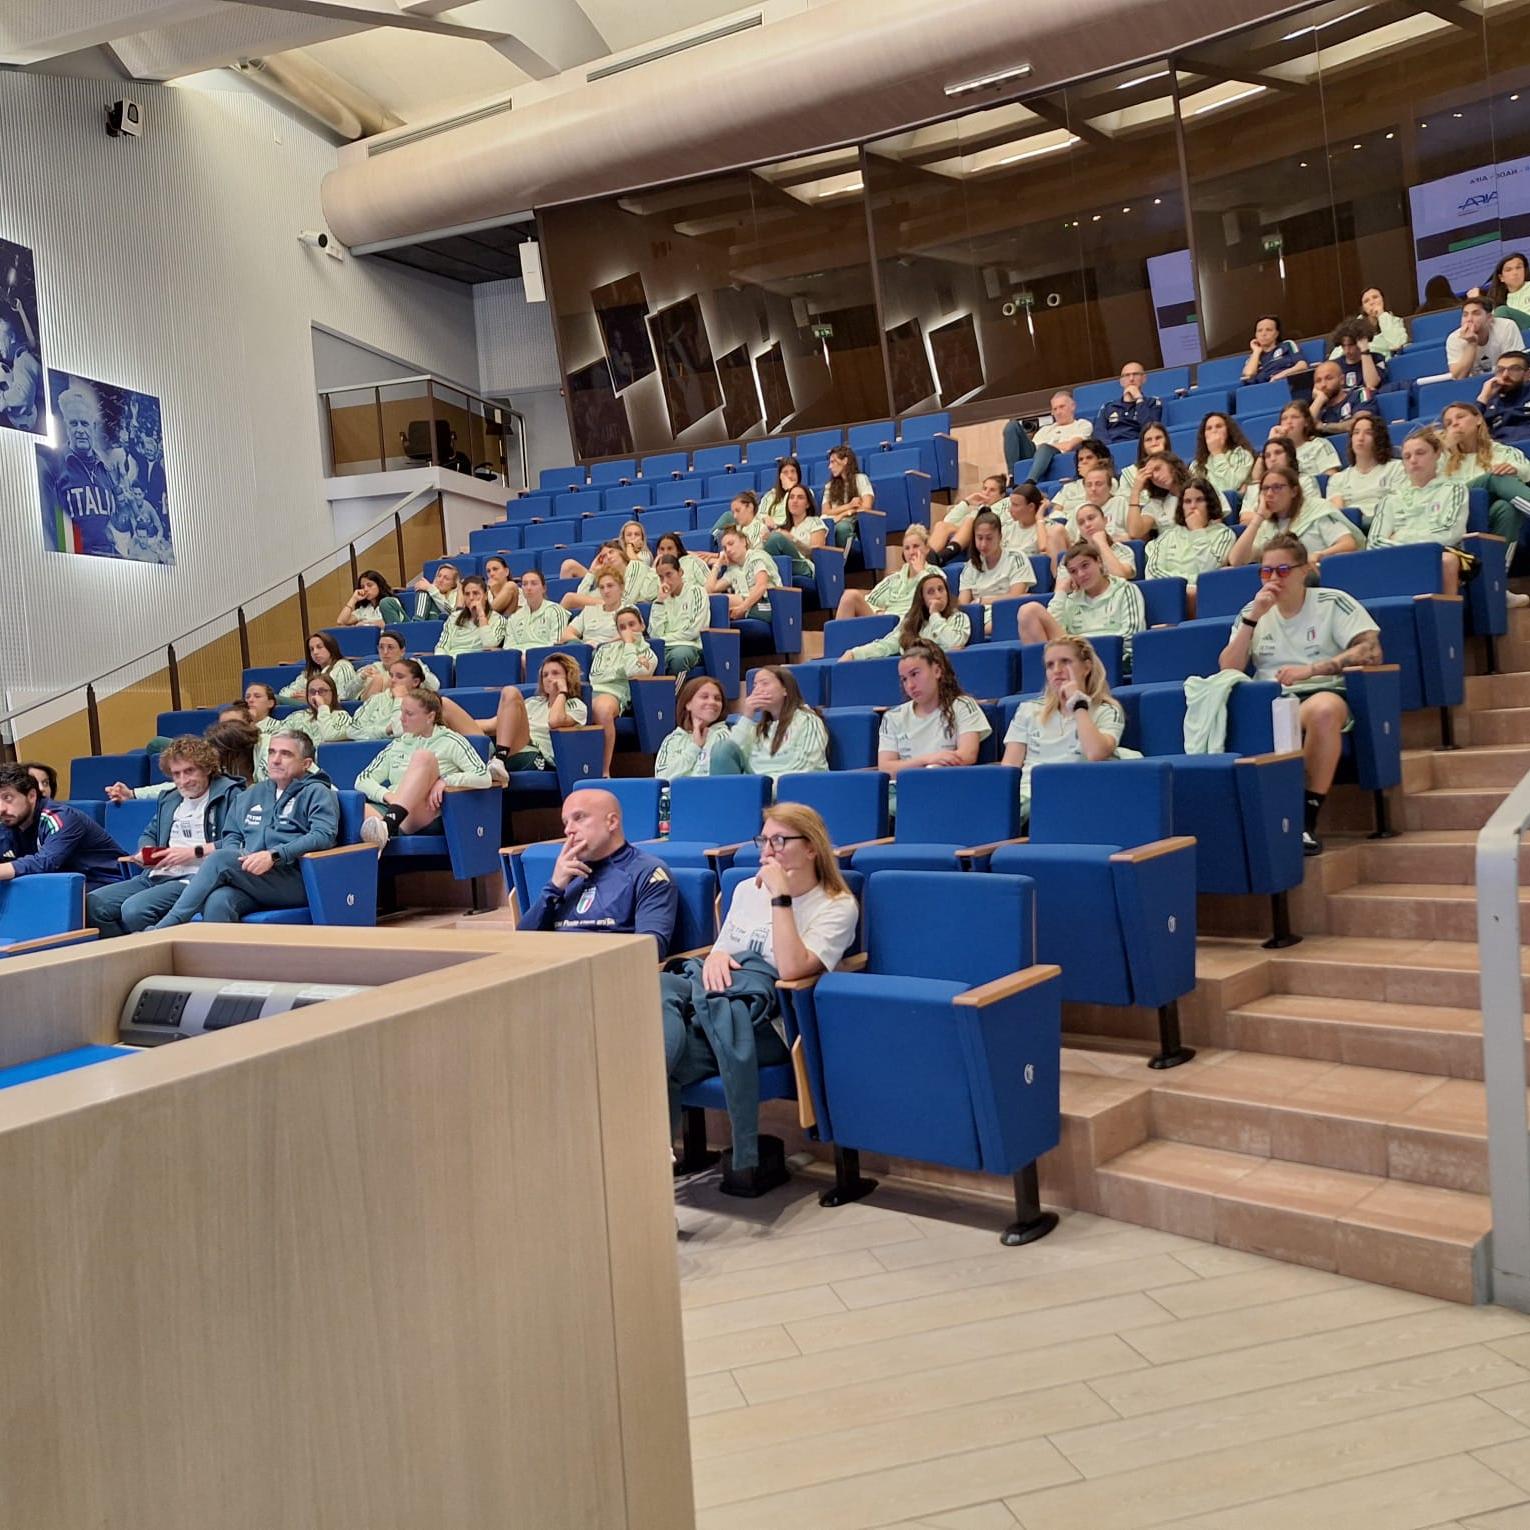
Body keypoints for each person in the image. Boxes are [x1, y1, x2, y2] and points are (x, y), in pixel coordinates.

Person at [664, 801, 858, 1192]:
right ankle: (654, 1145)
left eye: (778, 841)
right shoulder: (743, 890)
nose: (766, 852)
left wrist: (781, 898)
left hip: (772, 1022)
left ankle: (648, 1145)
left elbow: (790, 969)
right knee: (660, 991)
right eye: (763, 840)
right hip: (718, 1005)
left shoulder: (837, 906)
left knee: (653, 1052)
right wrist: (716, 956)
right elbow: (723, 949)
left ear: (811, 848)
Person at [1220, 533, 1383, 855]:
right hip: (1269, 698)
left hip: (1321, 691)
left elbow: (1372, 650)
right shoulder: (1252, 612)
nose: (1273, 579)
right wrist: (1253, 618)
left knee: (1323, 710)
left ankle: (1303, 818)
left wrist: (1313, 670)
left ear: (1304, 569)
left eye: (1282, 570)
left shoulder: (1332, 602)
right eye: (1266, 572)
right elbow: (1229, 667)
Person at [147, 731, 339, 926]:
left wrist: (274, 855)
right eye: (272, 752)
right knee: (219, 901)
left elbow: (324, 835)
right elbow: (232, 833)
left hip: (295, 879)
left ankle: (166, 926)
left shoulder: (317, 791)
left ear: (306, 763)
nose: (276, 760)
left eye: (286, 754)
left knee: (219, 859)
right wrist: (239, 856)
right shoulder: (254, 792)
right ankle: (219, 957)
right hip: (253, 875)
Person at [87, 737, 244, 938]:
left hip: (197, 876)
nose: (182, 781)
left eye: (189, 771)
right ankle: (131, 952)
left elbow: (239, 840)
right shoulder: (170, 798)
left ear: (207, 768)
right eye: (176, 774)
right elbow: (150, 833)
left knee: (135, 909)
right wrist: (147, 852)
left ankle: (159, 952)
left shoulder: (231, 794)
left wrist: (191, 852)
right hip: (157, 874)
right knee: (93, 905)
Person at [519, 788, 679, 955]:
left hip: (606, 974)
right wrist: (553, 888)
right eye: (566, 823)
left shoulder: (647, 872)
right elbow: (520, 944)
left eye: (579, 818)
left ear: (612, 822)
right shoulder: (567, 875)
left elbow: (650, 950)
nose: (568, 830)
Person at [1002, 637, 1125, 820]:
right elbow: (1009, 768)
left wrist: (1078, 704)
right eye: (1050, 665)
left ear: (1086, 667)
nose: (1057, 671)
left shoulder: (1107, 710)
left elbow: (1096, 753)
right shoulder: (1028, 709)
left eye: (1065, 662)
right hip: (1024, 795)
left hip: (1068, 793)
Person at [356, 689, 492, 847]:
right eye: (401, 712)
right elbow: (362, 779)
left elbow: (484, 777)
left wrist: (446, 781)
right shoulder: (398, 743)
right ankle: (384, 833)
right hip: (392, 809)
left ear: (430, 716)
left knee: (423, 757)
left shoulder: (452, 740)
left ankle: (387, 825)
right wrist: (388, 796)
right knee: (354, 811)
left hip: (425, 812)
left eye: (409, 714)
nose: (402, 719)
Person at [876, 643, 991, 797]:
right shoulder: (892, 717)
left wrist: (916, 768)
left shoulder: (962, 705)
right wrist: (929, 759)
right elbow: (885, 767)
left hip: (948, 788)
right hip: (904, 792)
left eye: (915, 674)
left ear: (937, 671)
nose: (910, 685)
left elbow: (967, 755)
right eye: (904, 679)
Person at [1367, 428, 1472, 596]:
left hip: (1438, 556)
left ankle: (1447, 619)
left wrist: (1400, 536)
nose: (1413, 460)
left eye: (1420, 453)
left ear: (1437, 454)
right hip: (1398, 559)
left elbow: (1451, 534)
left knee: (1447, 561)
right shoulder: (1390, 499)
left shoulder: (1454, 489)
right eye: (1407, 457)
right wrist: (1413, 545)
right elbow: (1374, 543)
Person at [1438, 401, 1530, 580]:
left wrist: (1515, 469)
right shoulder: (1442, 457)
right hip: (1452, 512)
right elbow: (1427, 482)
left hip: (1486, 512)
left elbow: (1527, 470)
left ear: (1478, 419)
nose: (1455, 424)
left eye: (1460, 417)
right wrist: (1445, 446)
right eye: (1448, 423)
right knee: (1494, 477)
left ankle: (1496, 585)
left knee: (1507, 509)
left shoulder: (1502, 450)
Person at [1018, 536, 1147, 661]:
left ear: (1099, 562)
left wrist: (1083, 647)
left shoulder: (1125, 590)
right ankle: (1043, 678)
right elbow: (1053, 634)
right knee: (1028, 611)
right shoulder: (1072, 600)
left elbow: (1130, 638)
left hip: (1113, 659)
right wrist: (1061, 592)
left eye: (1085, 565)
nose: (1081, 574)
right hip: (1075, 661)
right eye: (1073, 571)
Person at [0, 765, 122, 890]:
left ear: (32, 796)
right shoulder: (10, 823)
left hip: (105, 882)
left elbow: (45, 863)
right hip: (63, 885)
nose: (1, 809)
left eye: (8, 798)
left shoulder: (60, 817)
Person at [40, 381, 121, 557]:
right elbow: (49, 527)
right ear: (66, 427)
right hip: (77, 561)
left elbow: (115, 521)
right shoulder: (53, 465)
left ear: (93, 427)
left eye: (84, 423)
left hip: (110, 558)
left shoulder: (106, 468)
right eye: (73, 424)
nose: (79, 430)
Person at [1230, 464, 1361, 569]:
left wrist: (1319, 555)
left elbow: (1348, 544)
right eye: (1265, 488)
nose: (1269, 494)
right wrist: (1258, 517)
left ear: (1294, 491)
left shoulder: (1315, 511)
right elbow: (1236, 560)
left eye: (1277, 487)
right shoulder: (1265, 526)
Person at [487, 653, 588, 775]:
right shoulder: (532, 702)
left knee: (510, 692)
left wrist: (562, 692)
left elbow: (554, 721)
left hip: (536, 756)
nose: (549, 678)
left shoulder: (576, 705)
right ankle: (495, 759)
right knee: (457, 713)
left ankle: (498, 758)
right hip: (512, 748)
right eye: (545, 675)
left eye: (555, 673)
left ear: (568, 677)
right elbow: (494, 724)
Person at [1144, 478, 1235, 612]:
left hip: (1205, 599)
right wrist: (1184, 588)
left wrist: (1198, 531)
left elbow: (1210, 571)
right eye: (1187, 501)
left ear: (1209, 503)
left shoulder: (1224, 534)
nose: (1192, 506)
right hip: (1170, 599)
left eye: (1199, 500)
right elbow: (1152, 572)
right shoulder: (1168, 535)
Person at [842, 569, 971, 660]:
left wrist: (935, 615)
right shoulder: (910, 623)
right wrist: (854, 654)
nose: (938, 595)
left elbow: (953, 642)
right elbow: (886, 645)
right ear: (922, 599)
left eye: (941, 589)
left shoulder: (958, 618)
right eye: (931, 592)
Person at [590, 607, 658, 773]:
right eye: (622, 627)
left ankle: (604, 771)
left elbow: (634, 673)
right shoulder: (605, 649)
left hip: (616, 693)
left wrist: (629, 645)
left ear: (642, 625)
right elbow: (595, 675)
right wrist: (624, 668)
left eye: (631, 624)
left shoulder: (649, 655)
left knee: (603, 709)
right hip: (593, 689)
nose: (627, 630)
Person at [728, 667, 829, 778]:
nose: (756, 690)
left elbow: (808, 767)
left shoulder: (808, 720)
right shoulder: (757, 728)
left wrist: (765, 788)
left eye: (764, 683)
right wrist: (746, 717)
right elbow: (728, 755)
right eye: (754, 685)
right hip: (756, 790)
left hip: (792, 790)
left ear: (785, 689)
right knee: (721, 749)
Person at [654, 676, 746, 778]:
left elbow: (710, 780)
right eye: (704, 696)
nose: (712, 702)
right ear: (688, 704)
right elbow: (661, 778)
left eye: (717, 698)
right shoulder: (672, 739)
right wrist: (695, 747)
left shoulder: (726, 738)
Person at [959, 509, 1034, 632]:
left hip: (1007, 613)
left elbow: (1017, 596)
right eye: (979, 538)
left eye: (989, 538)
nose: (983, 544)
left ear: (1000, 536)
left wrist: (982, 601)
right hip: (978, 618)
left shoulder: (1016, 558)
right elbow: (963, 604)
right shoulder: (970, 566)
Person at [836, 523, 932, 619]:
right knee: (850, 597)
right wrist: (878, 612)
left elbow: (935, 602)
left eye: (916, 546)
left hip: (913, 624)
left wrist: (921, 573)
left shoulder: (935, 574)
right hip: (889, 623)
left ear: (927, 548)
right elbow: (869, 601)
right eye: (907, 548)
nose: (911, 552)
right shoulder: (894, 579)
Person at [1325, 413, 1406, 526]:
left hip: (1388, 525)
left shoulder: (1397, 468)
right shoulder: (1338, 479)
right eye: (1356, 433)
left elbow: (1400, 506)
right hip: (1351, 529)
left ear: (1379, 439)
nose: (1360, 438)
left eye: (1368, 433)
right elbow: (1337, 514)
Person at [648, 554, 709, 675]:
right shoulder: (660, 599)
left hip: (689, 646)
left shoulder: (696, 592)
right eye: (661, 577)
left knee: (679, 657)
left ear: (680, 572)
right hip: (664, 647)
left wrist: (663, 639)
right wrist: (659, 602)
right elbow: (655, 634)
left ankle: (676, 694)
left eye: (669, 574)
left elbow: (692, 631)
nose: (665, 581)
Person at [1017, 391, 1094, 484]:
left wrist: (1045, 447)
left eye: (1062, 407)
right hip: (1037, 458)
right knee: (1012, 426)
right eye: (1055, 409)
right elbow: (1034, 450)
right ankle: (1012, 476)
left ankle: (1030, 481)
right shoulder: (1045, 430)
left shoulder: (1082, 424)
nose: (1058, 412)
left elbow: (1069, 446)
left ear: (1072, 406)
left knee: (1044, 447)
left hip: (1065, 464)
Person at [1047, 501, 1136, 580]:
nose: (1087, 524)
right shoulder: (1070, 556)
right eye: (1081, 523)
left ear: (1105, 520)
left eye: (1091, 518)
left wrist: (1101, 543)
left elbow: (1120, 576)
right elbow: (1062, 589)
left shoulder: (1122, 550)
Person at [562, 540, 659, 611]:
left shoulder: (635, 565)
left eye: (611, 552)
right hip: (614, 615)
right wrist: (591, 572)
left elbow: (627, 601)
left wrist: (577, 600)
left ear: (622, 554)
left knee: (570, 598)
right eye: (603, 556)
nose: (608, 557)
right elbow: (581, 599)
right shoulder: (608, 582)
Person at [709, 526, 781, 619]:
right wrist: (718, 563)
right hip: (748, 604)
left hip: (769, 604)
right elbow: (711, 589)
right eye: (725, 548)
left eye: (731, 544)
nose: (728, 550)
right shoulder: (733, 569)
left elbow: (761, 586)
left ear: (743, 541)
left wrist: (742, 608)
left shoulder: (757, 556)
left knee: (717, 602)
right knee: (711, 601)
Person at [928, 474, 1007, 559]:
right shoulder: (975, 510)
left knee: (970, 521)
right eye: (984, 489)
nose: (986, 493)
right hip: (961, 537)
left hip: (981, 537)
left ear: (1002, 495)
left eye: (992, 490)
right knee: (941, 525)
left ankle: (943, 556)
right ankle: (927, 557)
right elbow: (948, 521)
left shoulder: (1002, 507)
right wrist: (967, 501)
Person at [1448, 295, 1524, 381]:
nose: (1469, 319)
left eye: (1476, 313)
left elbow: (1515, 366)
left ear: (1489, 318)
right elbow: (1458, 377)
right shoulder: (1454, 339)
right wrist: (1471, 344)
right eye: (1465, 315)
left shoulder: (1506, 327)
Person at [279, 631, 361, 703]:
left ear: (331, 648)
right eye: (311, 649)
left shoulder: (343, 666)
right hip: (307, 710)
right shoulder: (311, 672)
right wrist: (294, 695)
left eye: (319, 647)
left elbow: (345, 697)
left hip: (332, 713)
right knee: (276, 699)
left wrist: (310, 697)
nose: (315, 652)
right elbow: (284, 694)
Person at [1124, 451, 1191, 539]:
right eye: (1151, 476)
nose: (1155, 476)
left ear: (1173, 465)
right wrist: (1135, 491)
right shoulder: (1156, 504)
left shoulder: (1199, 489)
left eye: (1157, 469)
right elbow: (1135, 532)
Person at [435, 575, 507, 655]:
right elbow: (441, 647)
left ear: (486, 595)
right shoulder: (454, 617)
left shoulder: (498, 620)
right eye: (467, 594)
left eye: (476, 593)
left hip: (476, 662)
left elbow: (489, 646)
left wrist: (481, 615)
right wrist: (444, 664)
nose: (471, 598)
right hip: (452, 662)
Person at [1309, 355, 1380, 436]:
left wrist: (1324, 427)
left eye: (1329, 378)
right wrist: (1319, 400)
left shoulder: (1360, 394)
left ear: (1342, 380)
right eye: (1318, 381)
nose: (1323, 385)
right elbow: (1302, 430)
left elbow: (1360, 423)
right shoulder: (1317, 407)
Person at [1191, 411, 1258, 497]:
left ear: (1228, 431)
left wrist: (1217, 453)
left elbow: (1228, 488)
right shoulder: (1196, 465)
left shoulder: (1242, 455)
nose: (1214, 431)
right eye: (1209, 428)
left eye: (1219, 426)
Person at [820, 445, 875, 549]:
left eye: (833, 462)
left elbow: (866, 507)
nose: (829, 467)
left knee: (842, 527)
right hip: (832, 522)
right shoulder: (829, 486)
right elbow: (825, 512)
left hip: (852, 523)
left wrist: (842, 514)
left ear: (845, 461)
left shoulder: (861, 479)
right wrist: (850, 506)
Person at [1247, 435, 1324, 509]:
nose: (1272, 459)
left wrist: (1266, 515)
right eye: (1267, 456)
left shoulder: (1305, 481)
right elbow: (1245, 519)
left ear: (1289, 456)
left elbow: (1311, 511)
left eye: (1278, 453)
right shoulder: (1254, 489)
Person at [1050, 438, 1117, 521]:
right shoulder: (1069, 487)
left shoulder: (1110, 482)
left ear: (1100, 460)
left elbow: (1101, 506)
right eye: (1080, 459)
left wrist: (1089, 476)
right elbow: (1056, 511)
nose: (1084, 462)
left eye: (1089, 458)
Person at [503, 568, 568, 651]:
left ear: (544, 588)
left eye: (534, 583)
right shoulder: (514, 618)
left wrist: (531, 655)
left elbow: (557, 645)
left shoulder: (556, 611)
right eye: (525, 584)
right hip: (519, 660)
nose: (528, 588)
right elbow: (508, 648)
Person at [0, 302, 42, 432]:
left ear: (12, 337)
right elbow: (31, 341)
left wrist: (3, 398)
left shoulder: (23, 361)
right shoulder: (21, 357)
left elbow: (21, 396)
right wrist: (21, 311)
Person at [772, 483, 830, 576]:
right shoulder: (784, 528)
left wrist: (792, 540)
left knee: (776, 538)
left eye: (800, 497)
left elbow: (816, 554)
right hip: (784, 566)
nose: (795, 501)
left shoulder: (815, 522)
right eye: (791, 497)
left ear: (807, 504)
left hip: (806, 566)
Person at [1272, 401, 1342, 478]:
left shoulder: (1319, 444)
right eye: (1284, 419)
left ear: (1306, 422)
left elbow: (1332, 476)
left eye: (1295, 417)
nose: (1289, 422)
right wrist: (1272, 441)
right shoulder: (1277, 451)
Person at [356, 631, 439, 695]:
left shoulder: (412, 665)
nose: (385, 652)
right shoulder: (371, 668)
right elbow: (347, 695)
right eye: (381, 647)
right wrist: (361, 678)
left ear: (402, 651)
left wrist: (419, 669)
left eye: (390, 647)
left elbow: (435, 687)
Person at [1479, 350, 1530, 447]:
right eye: (1500, 370)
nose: (1505, 375)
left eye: (1514, 369)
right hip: (1503, 455)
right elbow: (1469, 429)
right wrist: (1483, 398)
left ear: (1527, 374)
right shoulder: (1490, 404)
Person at [563, 568, 626, 645]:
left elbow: (630, 636)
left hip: (612, 650)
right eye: (602, 587)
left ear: (621, 587)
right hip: (587, 649)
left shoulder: (628, 610)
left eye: (610, 586)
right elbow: (566, 634)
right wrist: (583, 644)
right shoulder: (590, 610)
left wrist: (600, 646)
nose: (606, 591)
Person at [1240, 315, 1307, 385]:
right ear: (1256, 335)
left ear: (1276, 334)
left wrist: (1280, 376)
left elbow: (1302, 365)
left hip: (1288, 384)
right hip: (1265, 389)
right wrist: (1256, 351)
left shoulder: (1287, 344)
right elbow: (1248, 374)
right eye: (1259, 331)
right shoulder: (1253, 358)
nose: (1263, 334)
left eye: (1268, 330)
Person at [290, 673, 354, 746]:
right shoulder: (297, 716)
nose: (316, 696)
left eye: (322, 691)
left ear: (333, 694)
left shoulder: (342, 716)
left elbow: (329, 736)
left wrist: (322, 707)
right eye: (312, 692)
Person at [1115, 422, 1174, 500]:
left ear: (1166, 441)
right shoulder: (1129, 473)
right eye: (1148, 440)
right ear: (1142, 445)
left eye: (1158, 438)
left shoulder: (1176, 467)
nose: (1154, 443)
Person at [996, 482, 1049, 559]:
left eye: (1015, 505)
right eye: (1011, 504)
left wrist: (1039, 518)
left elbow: (1045, 551)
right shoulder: (1006, 527)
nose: (1010, 509)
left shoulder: (1047, 528)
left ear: (1031, 507)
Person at [337, 570, 407, 627]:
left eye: (369, 585)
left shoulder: (390, 601)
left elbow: (391, 622)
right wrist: (354, 599)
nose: (365, 589)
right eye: (362, 587)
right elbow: (341, 621)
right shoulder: (364, 609)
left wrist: (366, 624)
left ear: (379, 586)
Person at [1356, 286, 1409, 358]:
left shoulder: (1395, 321)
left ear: (1383, 300)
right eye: (1366, 301)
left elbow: (1396, 344)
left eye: (1375, 297)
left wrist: (1381, 315)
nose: (1372, 302)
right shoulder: (1356, 326)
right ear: (1363, 308)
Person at [758, 458, 804, 527]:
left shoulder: (805, 493)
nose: (790, 476)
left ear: (798, 474)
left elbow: (797, 514)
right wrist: (765, 518)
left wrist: (791, 489)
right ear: (780, 477)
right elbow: (760, 513)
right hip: (770, 531)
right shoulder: (770, 495)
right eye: (785, 472)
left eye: (793, 471)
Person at [1489, 250, 1530, 325]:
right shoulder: (1500, 301)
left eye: (1518, 267)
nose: (1515, 273)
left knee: (1502, 311)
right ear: (1501, 278)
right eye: (1509, 270)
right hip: (1516, 333)